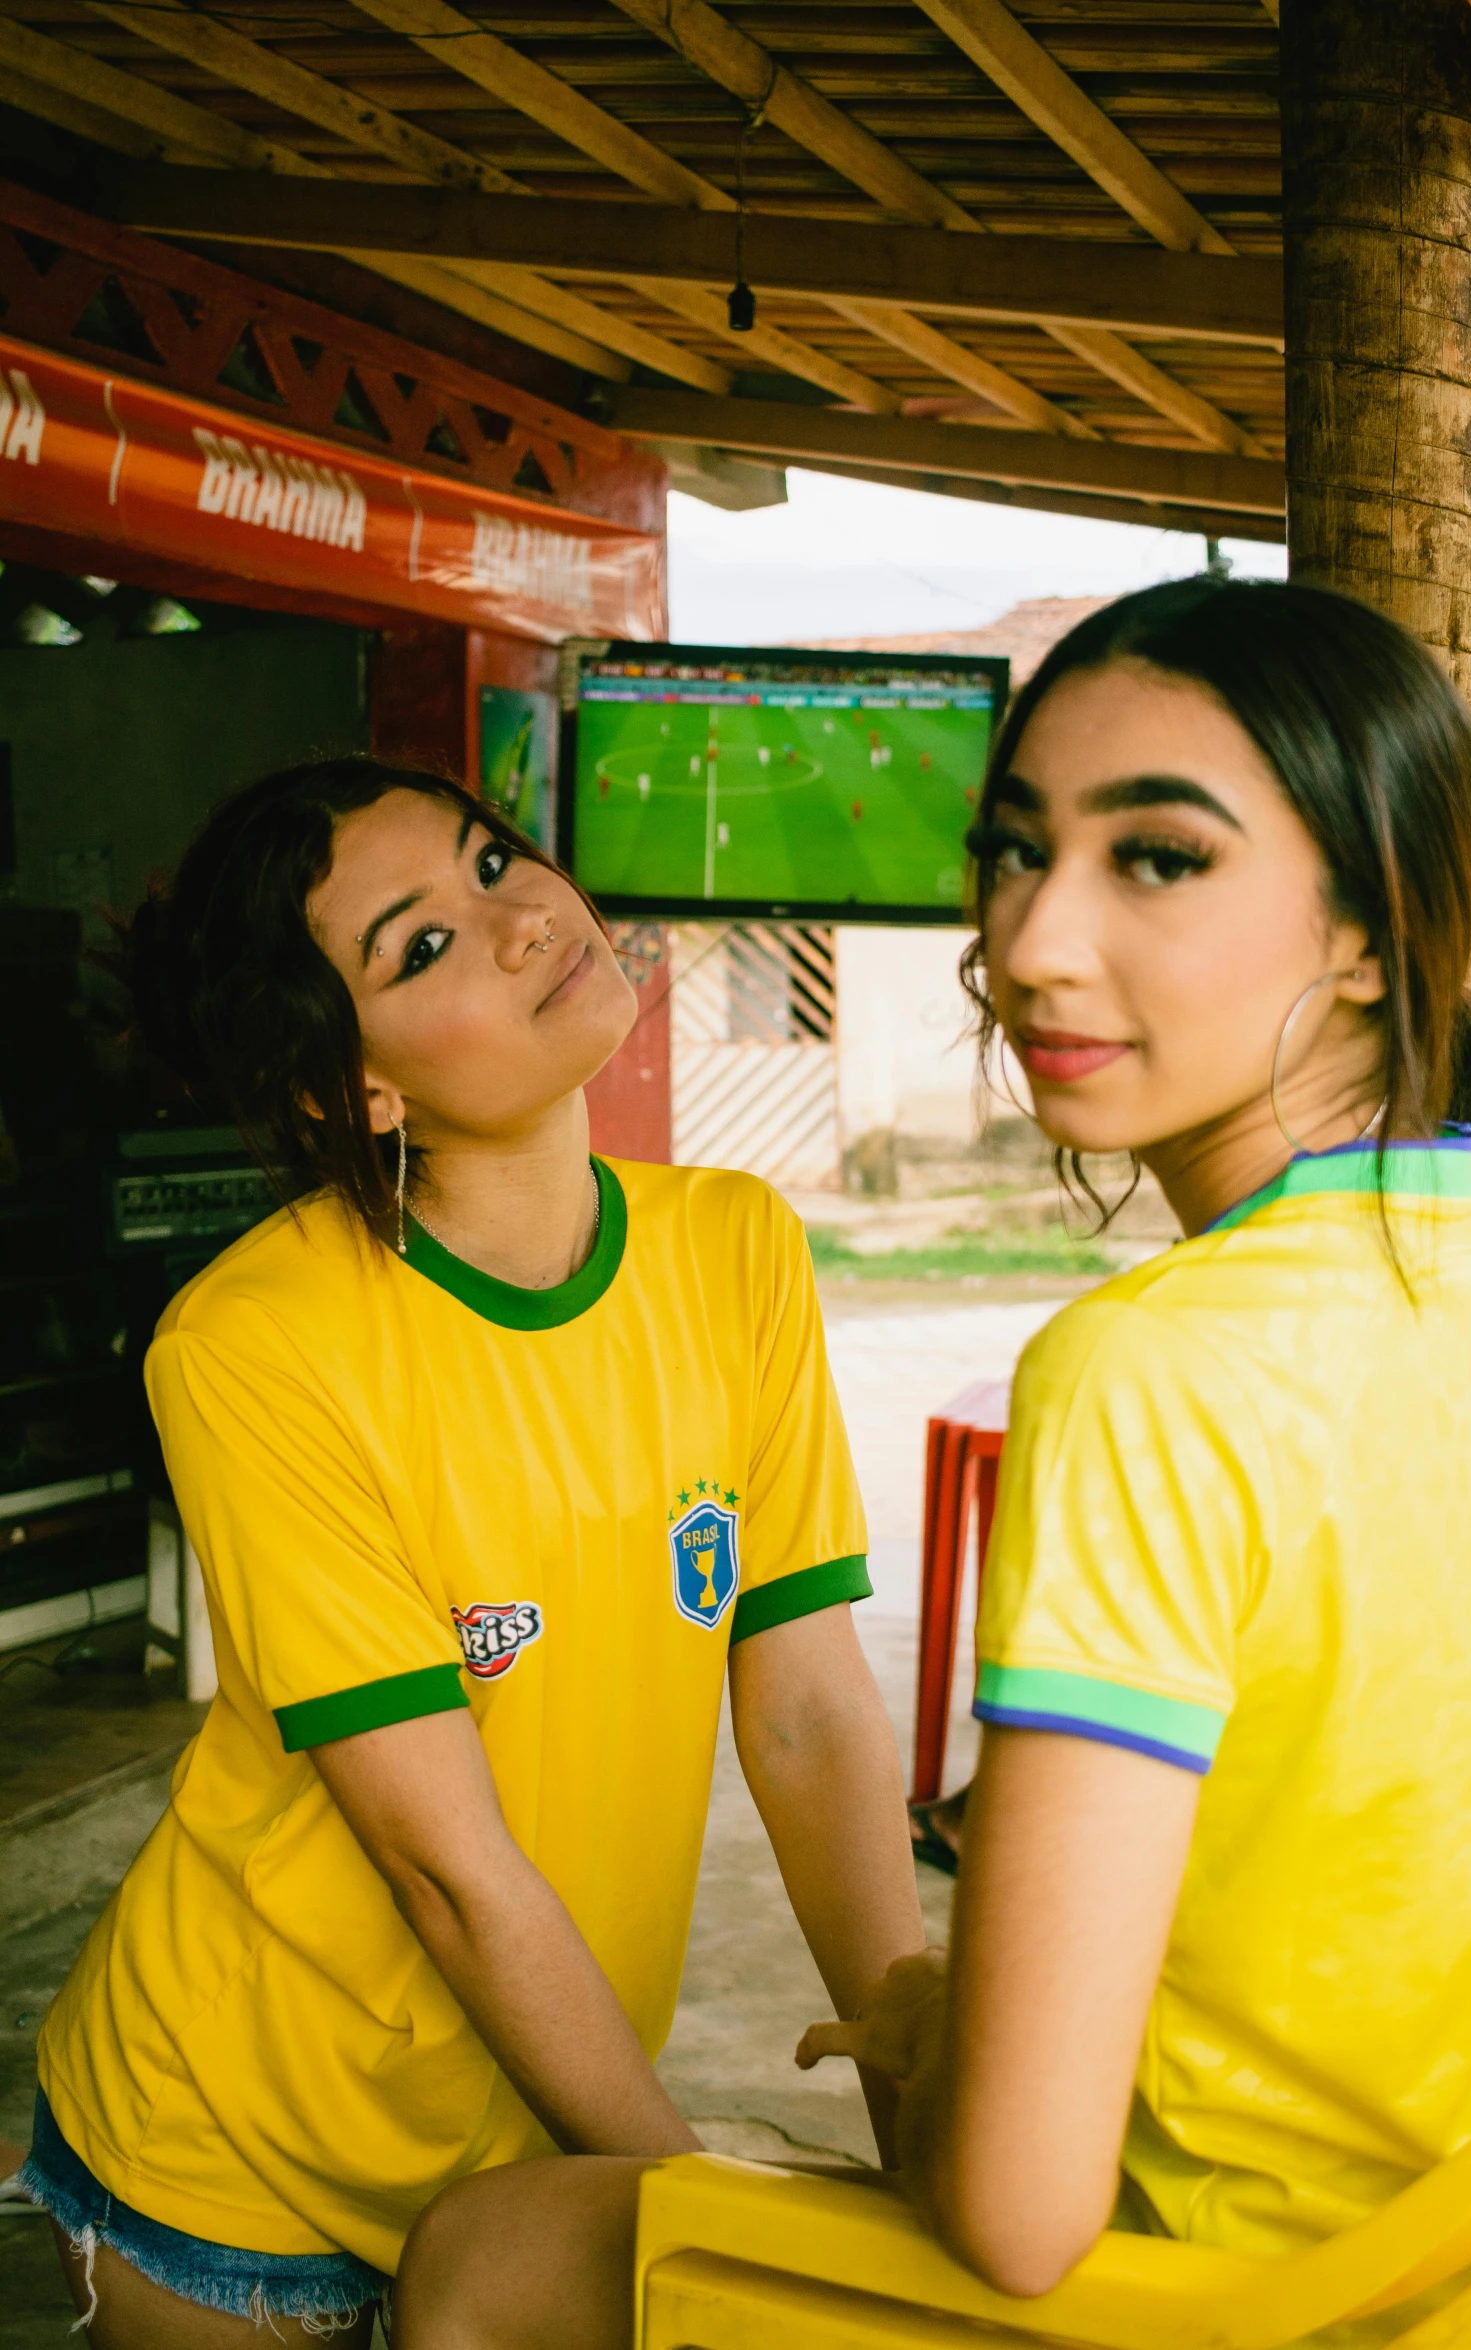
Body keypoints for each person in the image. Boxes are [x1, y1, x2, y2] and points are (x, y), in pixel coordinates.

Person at [22, 758, 924, 2346]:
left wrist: (912, 2054)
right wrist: (687, 2230)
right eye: (418, 944)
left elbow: (804, 1711)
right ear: (350, 1086)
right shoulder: (251, 1343)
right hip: (245, 2163)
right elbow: (446, 1867)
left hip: (533, 2129)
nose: (519, 922)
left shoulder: (734, 1250)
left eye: (493, 861)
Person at [796, 577, 1471, 2324]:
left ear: (1372, 929)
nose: (1032, 941)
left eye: (1154, 857)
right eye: (1012, 849)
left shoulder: (1148, 1373)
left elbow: (1018, 2214)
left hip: (1253, 2301)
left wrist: (932, 2027)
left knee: (495, 2243)